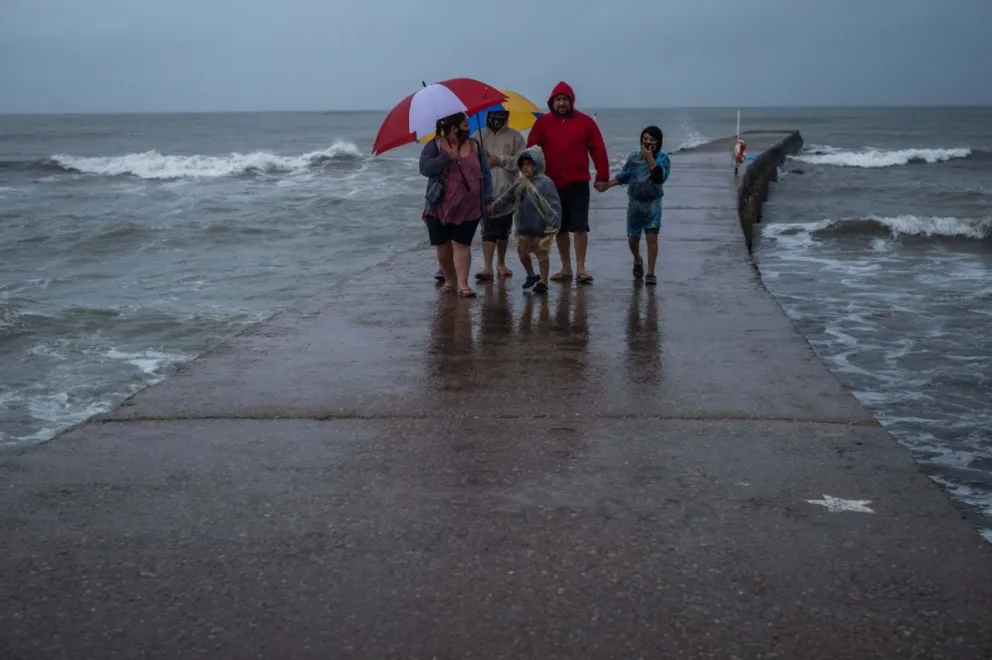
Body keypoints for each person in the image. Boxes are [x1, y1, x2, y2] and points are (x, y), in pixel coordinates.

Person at [526, 81, 609, 285]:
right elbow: (531, 151)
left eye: (565, 99)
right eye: (558, 100)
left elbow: (598, 149)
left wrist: (603, 176)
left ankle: (581, 268)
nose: (561, 103)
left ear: (571, 101)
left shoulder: (586, 122)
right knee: (560, 229)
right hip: (551, 185)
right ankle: (566, 268)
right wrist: (530, 175)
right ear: (552, 102)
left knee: (580, 227)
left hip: (578, 182)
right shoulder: (542, 123)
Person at [419, 112, 493, 298]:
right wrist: (446, 158)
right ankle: (450, 280)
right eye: (465, 125)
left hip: (469, 207)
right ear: (454, 128)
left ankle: (463, 284)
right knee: (443, 246)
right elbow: (424, 169)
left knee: (462, 244)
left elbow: (485, 173)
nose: (469, 128)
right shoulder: (434, 146)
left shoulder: (475, 145)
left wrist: (488, 199)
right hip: (439, 207)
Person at [600, 126, 671, 286]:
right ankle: (638, 259)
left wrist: (649, 158)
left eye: (652, 140)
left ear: (658, 143)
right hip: (634, 202)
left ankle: (651, 272)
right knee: (633, 238)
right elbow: (625, 176)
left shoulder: (662, 159)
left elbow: (659, 177)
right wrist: (608, 184)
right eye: (645, 139)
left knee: (652, 237)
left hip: (653, 203)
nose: (647, 142)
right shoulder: (633, 157)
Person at [487, 146, 562, 295]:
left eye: (529, 164)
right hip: (523, 226)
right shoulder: (519, 183)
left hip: (541, 227)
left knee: (542, 254)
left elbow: (554, 204)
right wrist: (494, 208)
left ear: (537, 164)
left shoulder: (546, 183)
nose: (525, 168)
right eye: (523, 165)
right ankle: (531, 274)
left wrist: (554, 222)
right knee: (522, 252)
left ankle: (543, 281)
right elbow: (507, 198)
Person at [476, 110, 525, 282]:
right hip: (485, 191)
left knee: (504, 230)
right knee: (488, 229)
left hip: (508, 191)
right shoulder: (478, 137)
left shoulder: (516, 137)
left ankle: (501, 263)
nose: (496, 121)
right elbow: (471, 162)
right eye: (492, 117)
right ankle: (487, 267)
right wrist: (484, 162)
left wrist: (500, 160)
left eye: (500, 117)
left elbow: (521, 162)